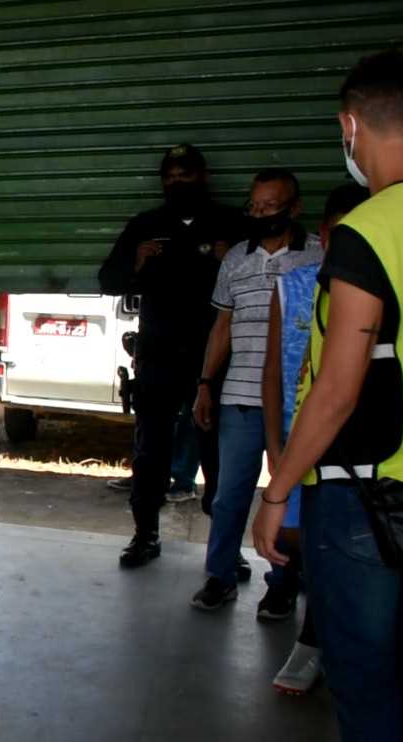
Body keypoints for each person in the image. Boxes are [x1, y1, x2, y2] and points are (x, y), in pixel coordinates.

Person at [253, 48, 403, 740]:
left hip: (363, 496)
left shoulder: (367, 232)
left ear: (349, 126)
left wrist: (278, 492)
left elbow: (338, 386)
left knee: (365, 680)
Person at [99, 144, 245, 567]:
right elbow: (108, 280)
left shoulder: (231, 224)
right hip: (158, 358)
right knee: (150, 453)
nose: (178, 183)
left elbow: (260, 281)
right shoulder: (146, 225)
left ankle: (225, 550)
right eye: (171, 178)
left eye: (186, 176)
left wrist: (229, 260)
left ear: (204, 177)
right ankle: (145, 535)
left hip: (213, 361)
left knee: (218, 456)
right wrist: (136, 262)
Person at [189, 169, 324, 615]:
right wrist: (205, 384)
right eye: (255, 206)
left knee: (291, 496)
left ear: (295, 207)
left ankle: (282, 583)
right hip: (241, 397)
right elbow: (222, 326)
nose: (261, 213)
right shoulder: (236, 259)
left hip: (297, 402)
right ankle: (220, 575)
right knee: (229, 495)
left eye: (271, 205)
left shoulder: (317, 256)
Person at [262, 183, 369, 694]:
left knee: (345, 546)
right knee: (294, 539)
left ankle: (315, 639)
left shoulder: (380, 286)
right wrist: (274, 446)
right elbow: (272, 373)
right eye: (342, 234)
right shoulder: (295, 285)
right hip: (298, 440)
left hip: (356, 445)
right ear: (323, 234)